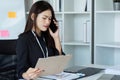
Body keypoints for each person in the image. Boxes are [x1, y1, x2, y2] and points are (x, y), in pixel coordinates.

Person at [16, 1, 64, 80]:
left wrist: (56, 37)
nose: (48, 22)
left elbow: (59, 60)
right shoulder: (24, 39)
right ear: (33, 17)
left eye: (49, 19)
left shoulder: (48, 36)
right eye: (44, 18)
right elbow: (20, 71)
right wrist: (26, 75)